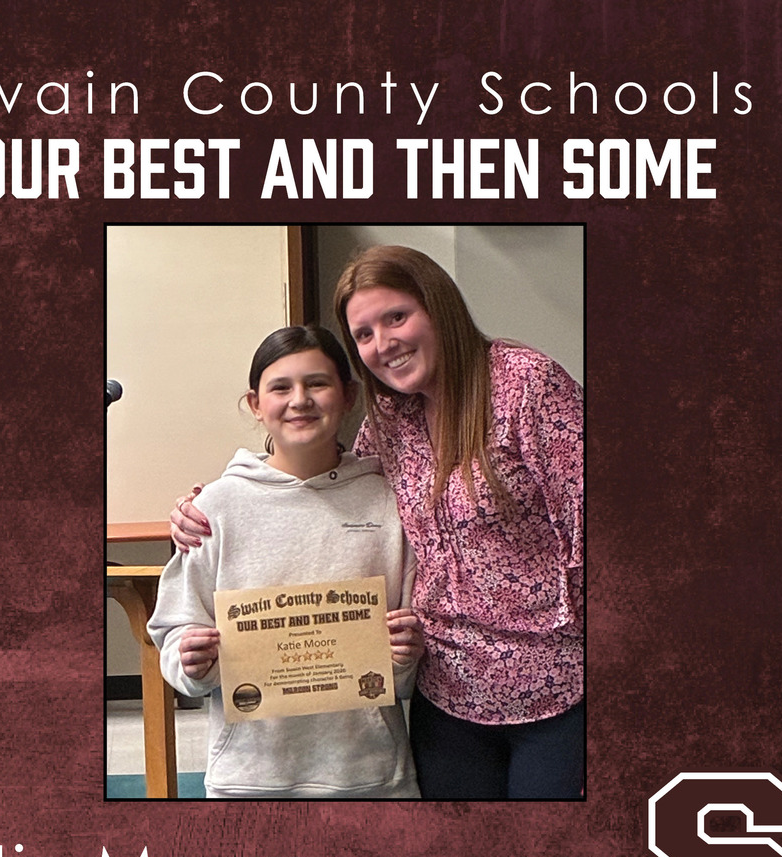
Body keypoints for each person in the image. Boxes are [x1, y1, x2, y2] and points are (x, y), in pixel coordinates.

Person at [172, 246, 583, 800]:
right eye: (364, 334)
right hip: (449, 694)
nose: (384, 343)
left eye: (397, 317)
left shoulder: (524, 385)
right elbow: (322, 476)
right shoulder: (393, 417)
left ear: (438, 308)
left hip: (554, 686)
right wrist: (208, 502)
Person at [148, 324, 423, 799]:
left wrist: (403, 657)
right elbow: (173, 631)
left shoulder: (390, 502)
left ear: (349, 395)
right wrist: (190, 662)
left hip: (371, 775)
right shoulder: (214, 508)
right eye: (280, 387)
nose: (300, 400)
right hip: (250, 779)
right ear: (255, 404)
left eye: (317, 383)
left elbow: (413, 642)